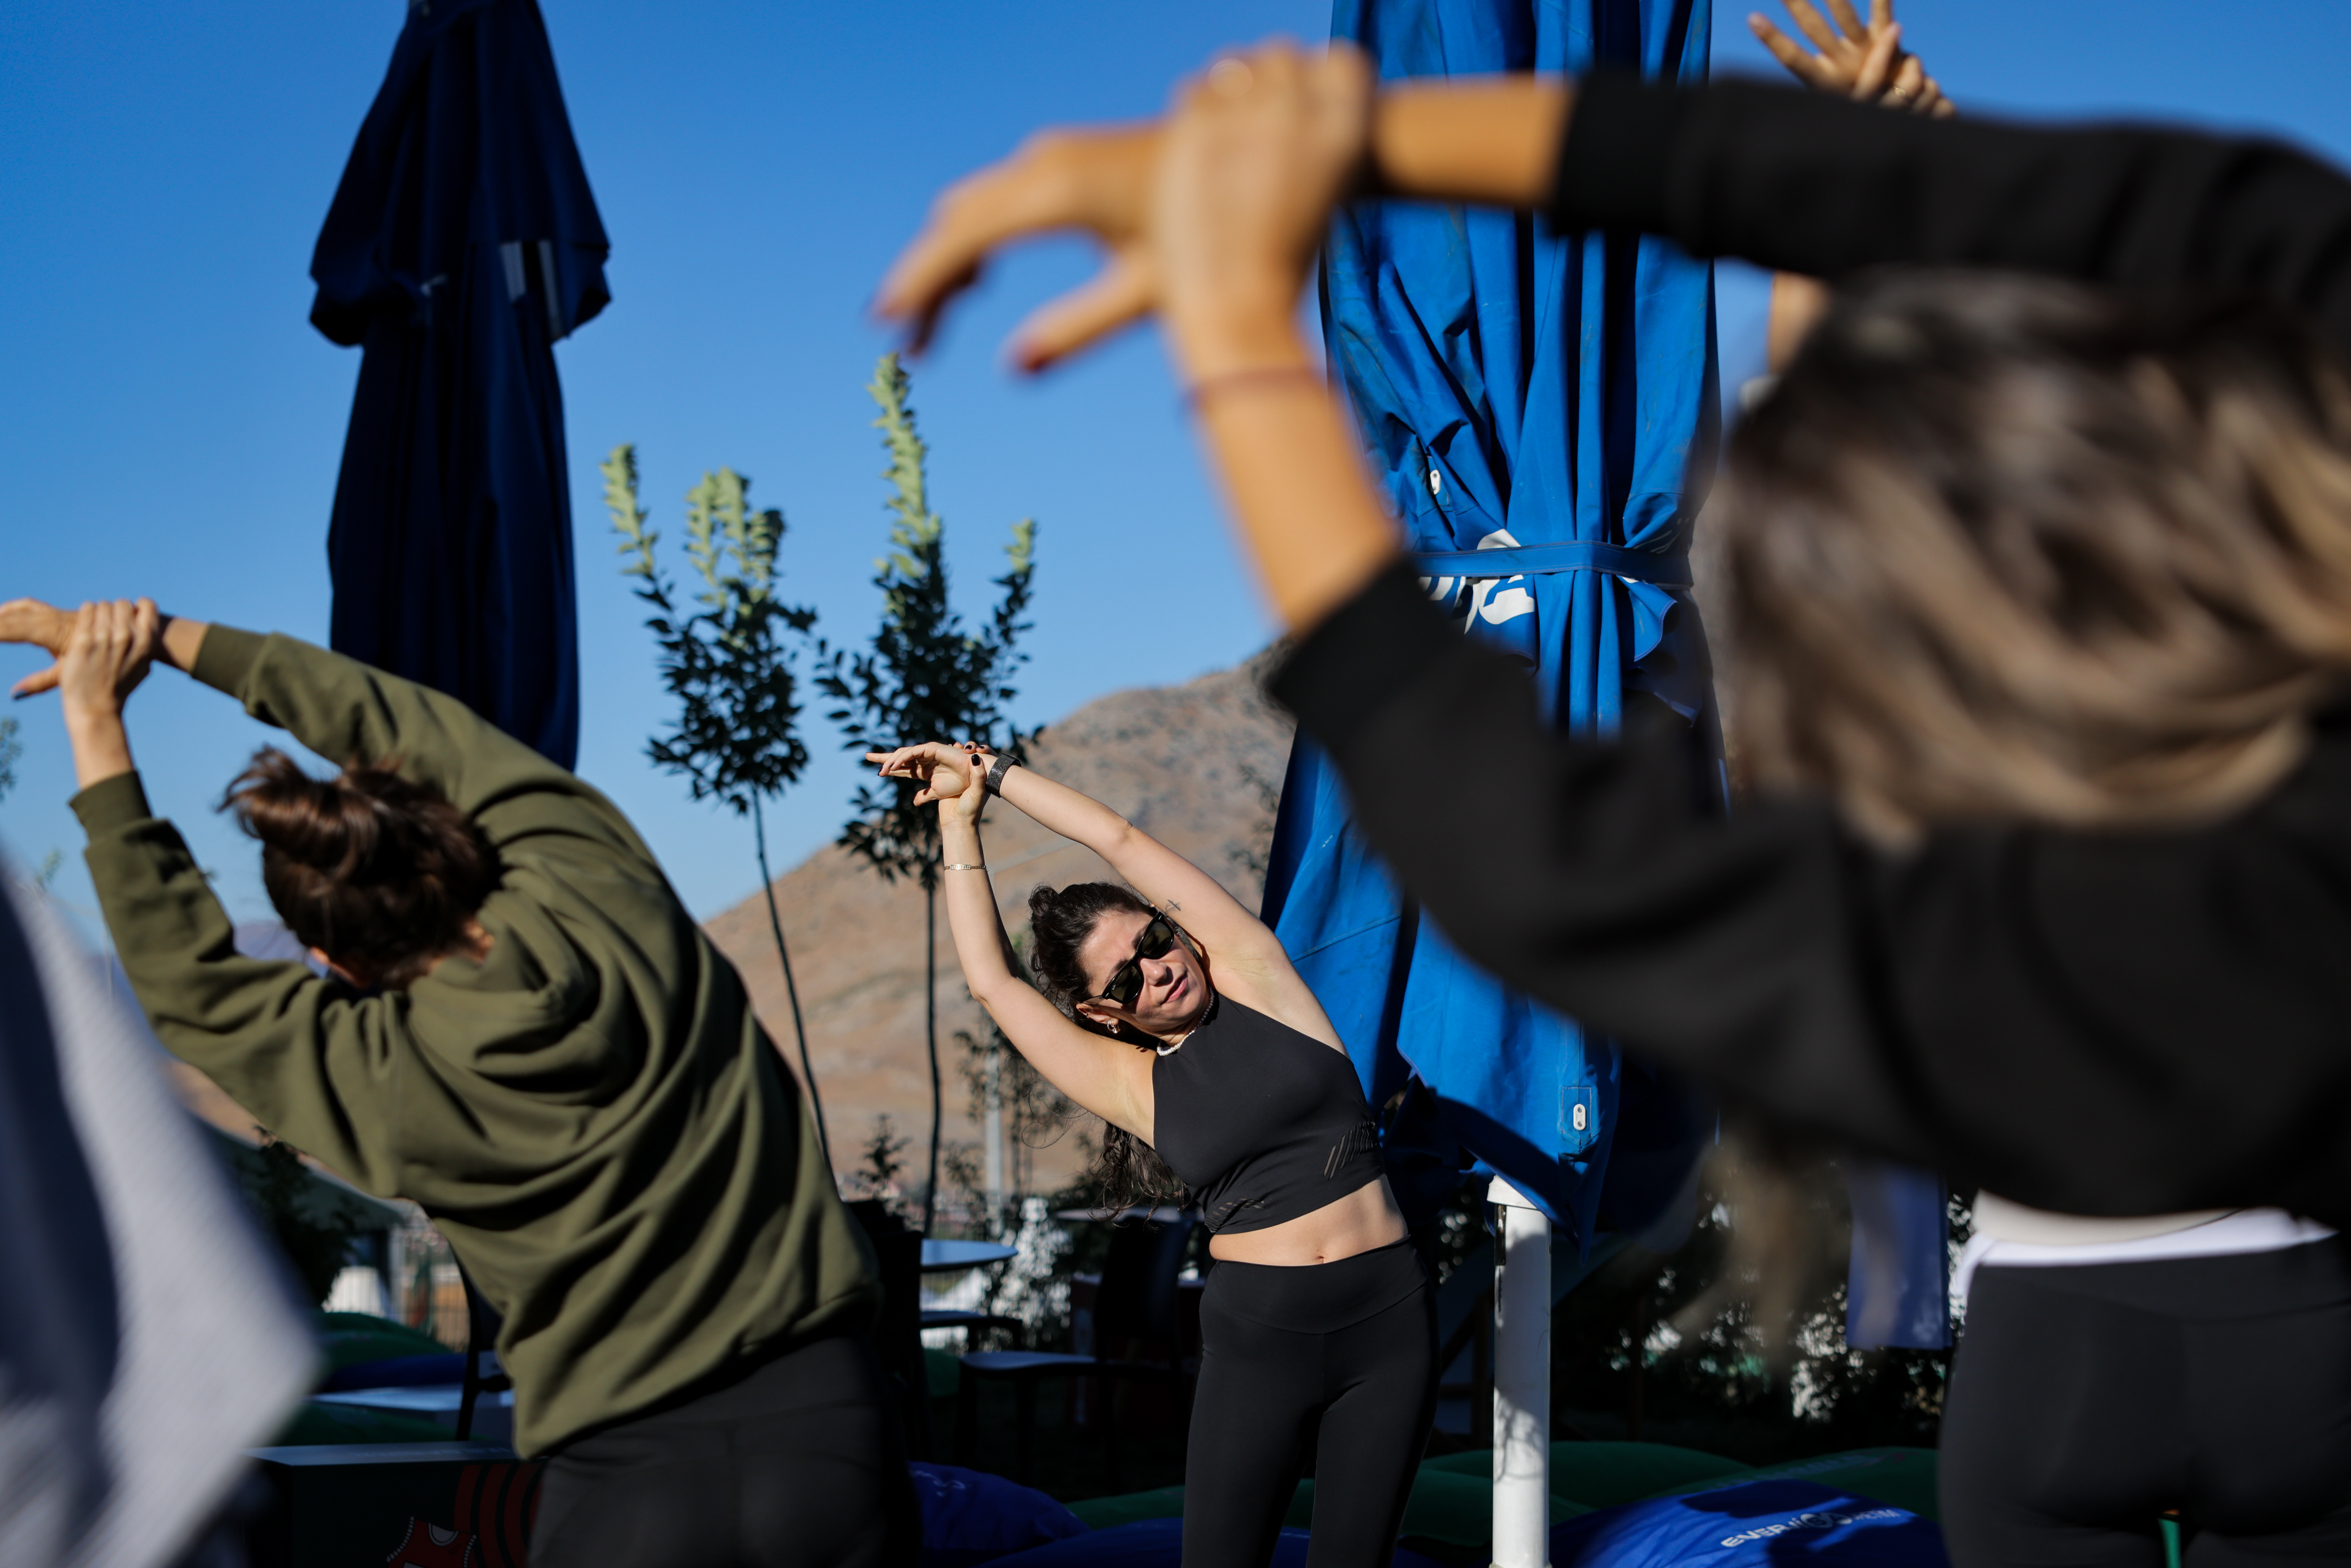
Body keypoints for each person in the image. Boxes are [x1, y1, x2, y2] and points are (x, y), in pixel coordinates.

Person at [874, 36, 2351, 1564]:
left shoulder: (1899, 833)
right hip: (2302, 1346)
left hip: (2061, 1373)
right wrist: (1897, 173)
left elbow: (1517, 716)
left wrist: (1242, 320)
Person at [0, 598, 914, 1568]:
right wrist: (161, 636)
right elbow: (395, 718)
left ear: (333, 961)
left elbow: (192, 985)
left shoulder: (387, 1079)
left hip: (622, 1493)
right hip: (834, 1441)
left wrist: (96, 718)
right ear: (450, 840)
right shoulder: (599, 883)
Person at [864, 738, 1432, 1568]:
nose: (1156, 972)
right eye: (1125, 982)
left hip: (1388, 1317)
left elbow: (1120, 838)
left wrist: (997, 775)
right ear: (1105, 1016)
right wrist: (959, 819)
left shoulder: (1260, 978)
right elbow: (995, 983)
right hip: (1260, 1337)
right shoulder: (1132, 1085)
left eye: (1155, 940)